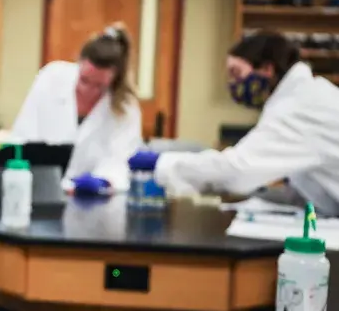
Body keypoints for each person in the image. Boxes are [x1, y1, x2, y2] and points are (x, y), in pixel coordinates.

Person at [130, 32, 339, 216]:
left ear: (267, 68)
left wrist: (160, 161)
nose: (233, 84)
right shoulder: (304, 96)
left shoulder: (299, 106)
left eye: (236, 73)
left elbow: (237, 171)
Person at [10, 24, 142, 195]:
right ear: (79, 62)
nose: (88, 91)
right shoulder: (52, 78)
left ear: (114, 79)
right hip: (38, 189)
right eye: (84, 80)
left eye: (99, 86)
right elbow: (24, 135)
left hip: (92, 198)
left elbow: (121, 160)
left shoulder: (125, 106)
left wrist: (103, 180)